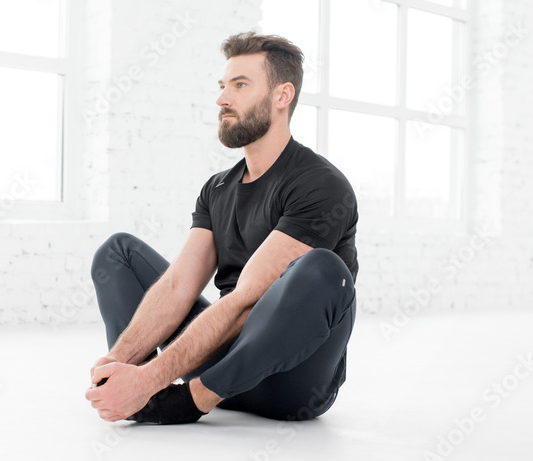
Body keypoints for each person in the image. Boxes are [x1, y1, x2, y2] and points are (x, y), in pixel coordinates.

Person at [85, 31, 358, 424]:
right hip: (222, 361)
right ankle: (138, 393)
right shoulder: (217, 188)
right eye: (222, 86)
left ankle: (186, 399)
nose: (222, 99)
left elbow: (249, 300)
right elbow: (179, 286)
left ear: (283, 96)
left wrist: (165, 383)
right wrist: (119, 365)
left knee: (323, 270)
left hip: (290, 384)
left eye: (241, 85)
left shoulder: (319, 183)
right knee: (118, 252)